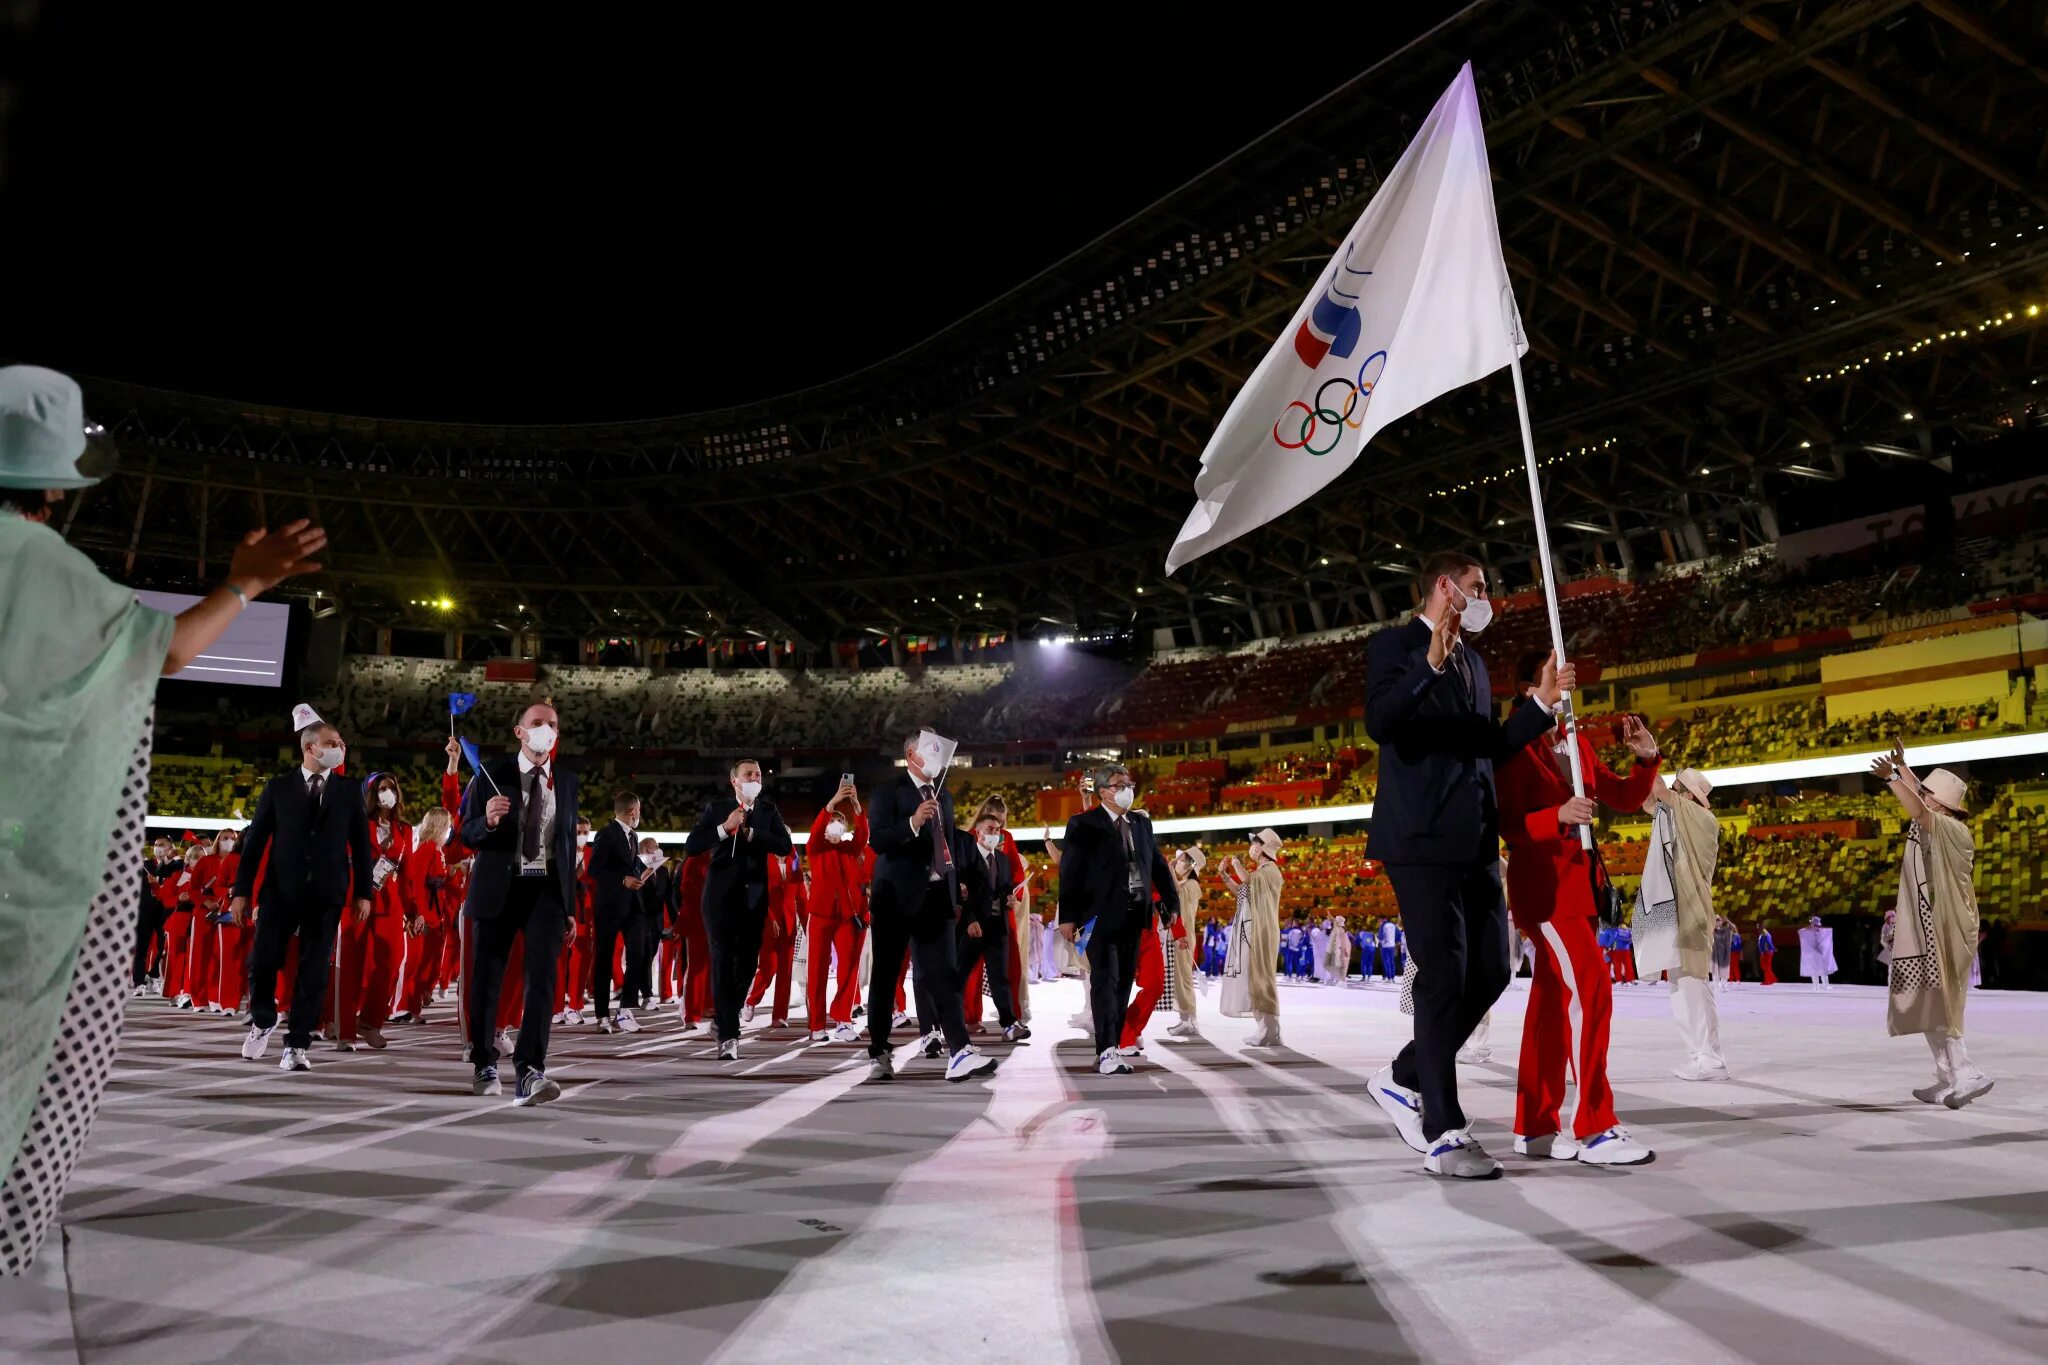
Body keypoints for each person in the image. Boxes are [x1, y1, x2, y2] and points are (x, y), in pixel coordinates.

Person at [0, 367, 328, 1276]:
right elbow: (170, 650)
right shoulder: (56, 574)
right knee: (36, 1056)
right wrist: (246, 583)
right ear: (59, 484)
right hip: (29, 878)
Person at [1363, 550, 1572, 1180]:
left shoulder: (1476, 663)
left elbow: (1490, 746)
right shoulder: (1394, 646)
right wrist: (1426, 668)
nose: (1488, 596)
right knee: (1443, 974)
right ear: (1446, 587)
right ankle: (1443, 1129)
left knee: (1489, 971)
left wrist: (1537, 705)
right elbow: (1383, 723)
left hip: (1475, 841)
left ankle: (1402, 1076)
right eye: (1479, 586)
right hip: (1419, 841)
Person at [1494, 659, 1661, 1168]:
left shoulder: (1578, 743)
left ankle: (1536, 1125)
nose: (1568, 686)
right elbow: (1504, 822)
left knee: (1549, 1005)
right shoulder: (1514, 743)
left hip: (1581, 889)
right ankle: (1593, 1125)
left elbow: (1624, 797)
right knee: (1592, 989)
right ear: (1529, 687)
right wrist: (1556, 816)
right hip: (1545, 889)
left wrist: (1647, 761)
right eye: (1555, 675)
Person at [457, 702, 579, 1106]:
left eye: (554, 725)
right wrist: (487, 821)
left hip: (545, 892)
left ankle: (530, 1069)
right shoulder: (491, 774)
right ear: (520, 732)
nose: (547, 730)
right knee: (487, 980)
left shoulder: (566, 779)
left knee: (543, 982)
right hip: (498, 887)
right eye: (538, 723)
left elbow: (564, 846)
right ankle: (484, 1062)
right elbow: (466, 836)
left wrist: (570, 906)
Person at [863, 732, 995, 1083]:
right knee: (886, 975)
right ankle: (879, 1051)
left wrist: (958, 888)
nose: (937, 758)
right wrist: (912, 822)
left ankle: (960, 1051)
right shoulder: (888, 792)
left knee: (945, 976)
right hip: (895, 898)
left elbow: (950, 843)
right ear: (911, 755)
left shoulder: (944, 795)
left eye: (940, 751)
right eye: (930, 751)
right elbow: (877, 840)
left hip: (936, 897)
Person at [1869, 747, 1993, 1108]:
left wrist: (1892, 778)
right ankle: (1948, 1077)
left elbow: (1919, 808)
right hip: (1932, 920)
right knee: (1927, 1000)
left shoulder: (1951, 828)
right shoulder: (1939, 820)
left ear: (1941, 806)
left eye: (1928, 794)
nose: (1921, 795)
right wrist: (1903, 768)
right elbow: (1922, 800)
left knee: (1944, 1002)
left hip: (1949, 924)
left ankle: (1968, 1073)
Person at [1058, 763, 1178, 1076]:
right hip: (1096, 917)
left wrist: (1170, 903)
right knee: (1105, 979)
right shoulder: (1083, 824)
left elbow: (1159, 866)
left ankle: (1111, 1044)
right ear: (1102, 792)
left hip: (1134, 914)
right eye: (1119, 784)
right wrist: (1068, 917)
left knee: (1123, 982)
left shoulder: (1140, 823)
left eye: (1129, 783)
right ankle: (1107, 1049)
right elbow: (1070, 871)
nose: (1127, 788)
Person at [684, 758, 793, 1062]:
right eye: (748, 774)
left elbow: (785, 846)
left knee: (746, 965)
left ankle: (723, 1018)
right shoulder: (716, 808)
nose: (754, 778)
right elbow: (692, 846)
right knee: (721, 962)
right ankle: (729, 1035)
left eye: (758, 774)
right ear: (734, 780)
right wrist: (724, 828)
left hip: (754, 900)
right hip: (719, 899)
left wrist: (754, 834)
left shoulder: (769, 811)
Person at [1637, 768, 1726, 1081]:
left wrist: (1648, 756)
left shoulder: (1703, 819)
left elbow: (1659, 792)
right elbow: (1650, 800)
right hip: (1677, 913)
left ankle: (1710, 1058)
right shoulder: (1680, 817)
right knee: (1680, 988)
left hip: (1691, 913)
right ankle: (1698, 1055)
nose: (1671, 792)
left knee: (1692, 986)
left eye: (1678, 788)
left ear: (1688, 796)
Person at [334, 772, 413, 1052]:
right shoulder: (357, 822)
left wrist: (412, 910)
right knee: (351, 964)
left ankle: (369, 1021)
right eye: (382, 788)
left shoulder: (404, 829)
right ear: (371, 793)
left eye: (392, 787)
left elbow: (407, 874)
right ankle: (344, 1030)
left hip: (390, 902)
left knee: (391, 961)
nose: (388, 793)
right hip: (357, 898)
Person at [959, 804, 1031, 1043]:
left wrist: (1010, 898)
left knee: (1000, 976)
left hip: (997, 925)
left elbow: (1004, 888)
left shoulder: (1001, 858)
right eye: (990, 829)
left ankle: (1009, 1024)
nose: (996, 834)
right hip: (973, 927)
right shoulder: (966, 856)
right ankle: (948, 1020)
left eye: (998, 830)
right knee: (961, 975)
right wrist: (969, 920)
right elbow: (959, 893)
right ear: (978, 832)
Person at [804, 786, 870, 1043]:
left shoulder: (849, 849)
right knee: (817, 971)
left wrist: (855, 806)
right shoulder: (815, 848)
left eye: (840, 823)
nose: (835, 825)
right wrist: (832, 802)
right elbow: (815, 830)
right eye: (832, 821)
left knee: (849, 969)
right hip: (820, 914)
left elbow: (863, 835)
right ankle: (817, 1024)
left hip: (847, 915)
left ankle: (843, 1019)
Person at [587, 790, 649, 1035]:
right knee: (603, 959)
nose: (639, 815)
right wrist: (622, 880)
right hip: (610, 906)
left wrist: (645, 868)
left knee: (639, 954)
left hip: (633, 905)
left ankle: (624, 1011)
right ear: (632, 811)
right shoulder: (606, 834)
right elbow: (595, 869)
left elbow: (629, 866)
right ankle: (602, 1015)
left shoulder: (633, 836)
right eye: (639, 811)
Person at [1219, 829, 1284, 1046]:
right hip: (1256, 930)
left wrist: (1236, 864)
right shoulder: (1260, 873)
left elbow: (1247, 879)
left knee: (1262, 978)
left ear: (1264, 847)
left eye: (1255, 842)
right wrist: (1225, 875)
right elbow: (1242, 890)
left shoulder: (1270, 871)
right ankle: (1267, 1028)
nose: (1252, 847)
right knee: (1257, 978)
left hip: (1263, 931)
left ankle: (1270, 1029)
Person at [395, 807, 455, 1023]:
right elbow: (416, 882)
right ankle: (406, 1007)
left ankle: (415, 1004)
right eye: (447, 825)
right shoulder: (426, 849)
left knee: (429, 963)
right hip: (425, 913)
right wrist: (418, 913)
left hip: (436, 913)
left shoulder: (438, 850)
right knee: (416, 962)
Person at [1163, 847, 1205, 1038]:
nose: (1177, 862)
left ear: (1190, 866)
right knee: (1179, 979)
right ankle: (1186, 1019)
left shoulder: (1192, 885)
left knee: (1184, 978)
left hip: (1184, 937)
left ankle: (1188, 1019)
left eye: (1181, 860)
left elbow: (1176, 895)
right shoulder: (1185, 883)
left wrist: (1170, 870)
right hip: (1179, 936)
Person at [1798, 915, 1836, 990]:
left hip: (1816, 954)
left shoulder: (1811, 932)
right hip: (1816, 954)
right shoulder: (1813, 933)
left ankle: (1819, 985)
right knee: (1819, 970)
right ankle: (1820, 986)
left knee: (1819, 970)